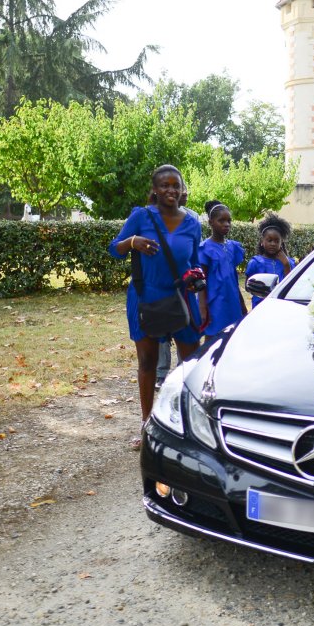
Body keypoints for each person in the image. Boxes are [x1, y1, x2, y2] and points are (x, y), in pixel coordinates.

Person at [109, 165, 207, 450]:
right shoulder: (141, 216)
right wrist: (132, 241)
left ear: (182, 188)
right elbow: (114, 249)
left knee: (189, 365)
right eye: (164, 185)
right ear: (154, 190)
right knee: (148, 363)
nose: (170, 190)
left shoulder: (192, 222)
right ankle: (147, 426)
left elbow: (196, 260)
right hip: (146, 296)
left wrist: (197, 283)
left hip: (182, 298)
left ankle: (188, 426)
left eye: (175, 185)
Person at [156, 186, 199, 388]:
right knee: (162, 333)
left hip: (185, 286)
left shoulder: (193, 218)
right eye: (183, 193)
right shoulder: (156, 217)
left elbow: (193, 254)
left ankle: (183, 372)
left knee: (185, 328)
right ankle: (161, 372)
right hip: (162, 285)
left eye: (186, 194)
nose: (185, 197)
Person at [199, 200, 247, 345]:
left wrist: (242, 303)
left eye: (229, 221)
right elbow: (202, 281)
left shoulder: (232, 247)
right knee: (213, 340)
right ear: (211, 222)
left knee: (231, 340)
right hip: (215, 303)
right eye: (221, 220)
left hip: (232, 301)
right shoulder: (205, 248)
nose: (226, 224)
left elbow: (233, 277)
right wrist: (203, 308)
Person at [245, 214, 296, 307]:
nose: (273, 244)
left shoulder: (289, 262)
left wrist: (286, 265)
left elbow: (291, 287)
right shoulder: (255, 263)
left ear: (281, 243)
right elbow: (248, 287)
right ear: (262, 241)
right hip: (260, 308)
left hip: (283, 307)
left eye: (277, 241)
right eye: (269, 240)